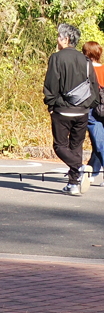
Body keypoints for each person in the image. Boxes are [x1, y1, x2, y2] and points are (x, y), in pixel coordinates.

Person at [44, 23, 101, 194]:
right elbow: (94, 85)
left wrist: (51, 104)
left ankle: (79, 168)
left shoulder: (57, 57)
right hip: (82, 111)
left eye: (59, 36)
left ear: (66, 39)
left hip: (62, 109)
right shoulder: (85, 60)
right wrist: (90, 103)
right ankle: (73, 184)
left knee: (60, 146)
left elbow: (51, 83)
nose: (57, 39)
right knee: (76, 146)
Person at [84, 41, 104, 186]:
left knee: (99, 142)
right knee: (99, 142)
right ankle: (93, 171)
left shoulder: (86, 70)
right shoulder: (103, 69)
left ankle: (92, 172)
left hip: (93, 109)